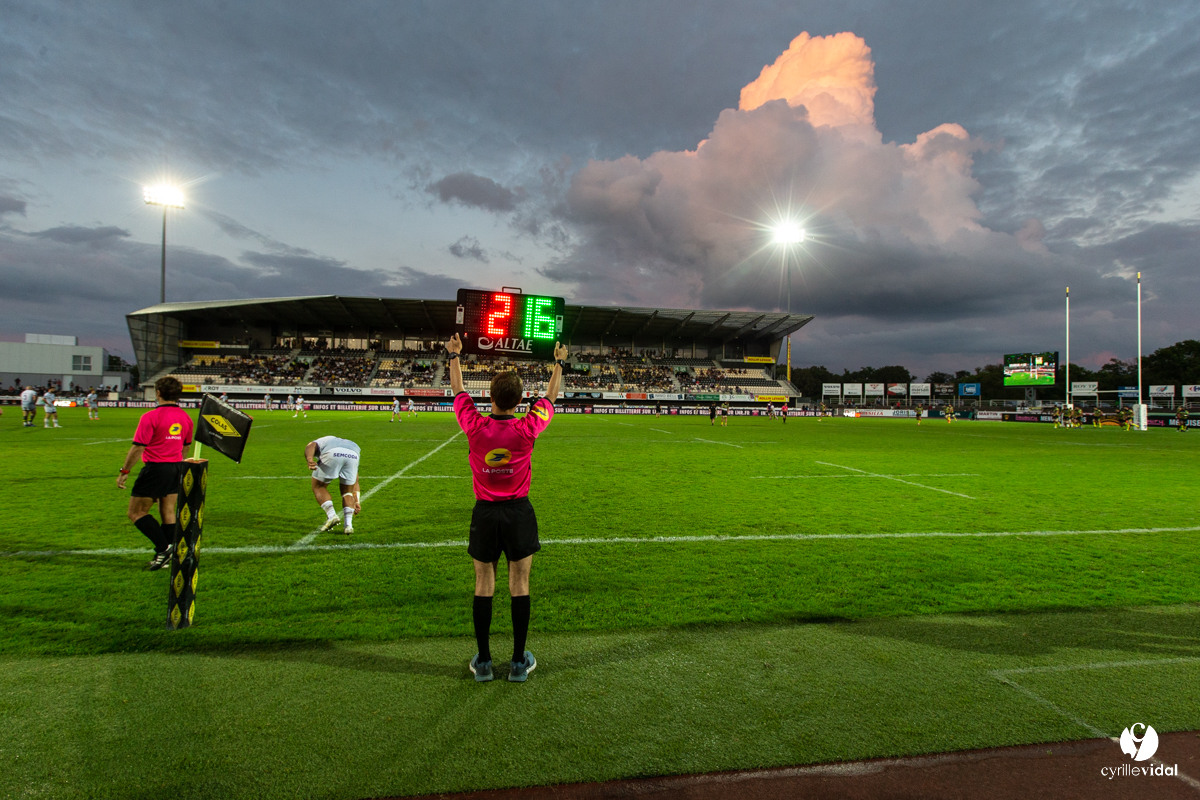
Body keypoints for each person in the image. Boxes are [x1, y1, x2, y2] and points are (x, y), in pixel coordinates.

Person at [445, 331, 566, 683]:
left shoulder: (475, 425)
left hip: (484, 513)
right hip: (518, 513)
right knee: (520, 582)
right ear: (519, 401)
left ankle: (483, 662)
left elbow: (457, 392)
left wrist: (455, 356)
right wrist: (558, 362)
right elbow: (550, 397)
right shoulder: (528, 427)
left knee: (484, 582)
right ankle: (517, 662)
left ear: (491, 397)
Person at [116, 377, 194, 570]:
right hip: (176, 467)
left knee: (136, 512)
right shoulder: (186, 418)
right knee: (167, 512)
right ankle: (169, 557)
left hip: (155, 468)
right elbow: (186, 447)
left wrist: (125, 471)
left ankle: (164, 548)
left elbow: (137, 448)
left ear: (158, 393)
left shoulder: (150, 417)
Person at [304, 436, 362, 534]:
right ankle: (348, 525)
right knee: (347, 492)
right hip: (354, 455)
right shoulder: (352, 444)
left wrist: (309, 459)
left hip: (333, 453)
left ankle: (332, 515)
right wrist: (357, 501)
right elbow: (355, 480)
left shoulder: (324, 440)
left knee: (319, 486)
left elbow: (311, 445)